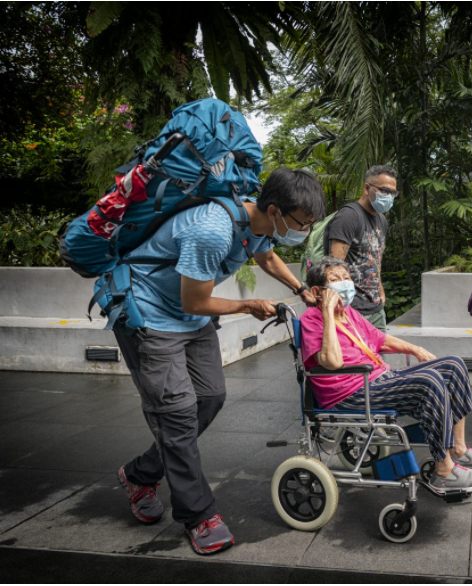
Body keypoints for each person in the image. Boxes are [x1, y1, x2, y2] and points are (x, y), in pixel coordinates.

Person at [113, 168, 326, 555]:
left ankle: (140, 473)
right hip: (149, 313)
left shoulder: (260, 224)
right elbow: (194, 300)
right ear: (275, 209)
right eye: (302, 223)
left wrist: (300, 288)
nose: (305, 232)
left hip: (189, 317)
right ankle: (199, 515)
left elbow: (266, 255)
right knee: (175, 413)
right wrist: (247, 304)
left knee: (210, 398)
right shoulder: (212, 229)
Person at [300, 257, 472, 493]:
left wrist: (415, 349)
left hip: (377, 379)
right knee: (429, 382)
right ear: (317, 291)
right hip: (350, 393)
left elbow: (380, 339)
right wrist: (326, 312)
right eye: (335, 280)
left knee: (453, 366)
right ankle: (444, 472)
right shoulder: (312, 320)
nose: (344, 284)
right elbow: (332, 362)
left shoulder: (350, 314)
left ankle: (459, 449)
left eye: (346, 278)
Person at [325, 165, 397, 331]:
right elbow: (333, 265)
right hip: (352, 308)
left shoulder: (382, 220)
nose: (389, 196)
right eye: (384, 190)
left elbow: (376, 259)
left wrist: (380, 290)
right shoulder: (349, 216)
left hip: (376, 308)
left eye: (393, 193)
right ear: (367, 188)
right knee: (357, 357)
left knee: (379, 357)